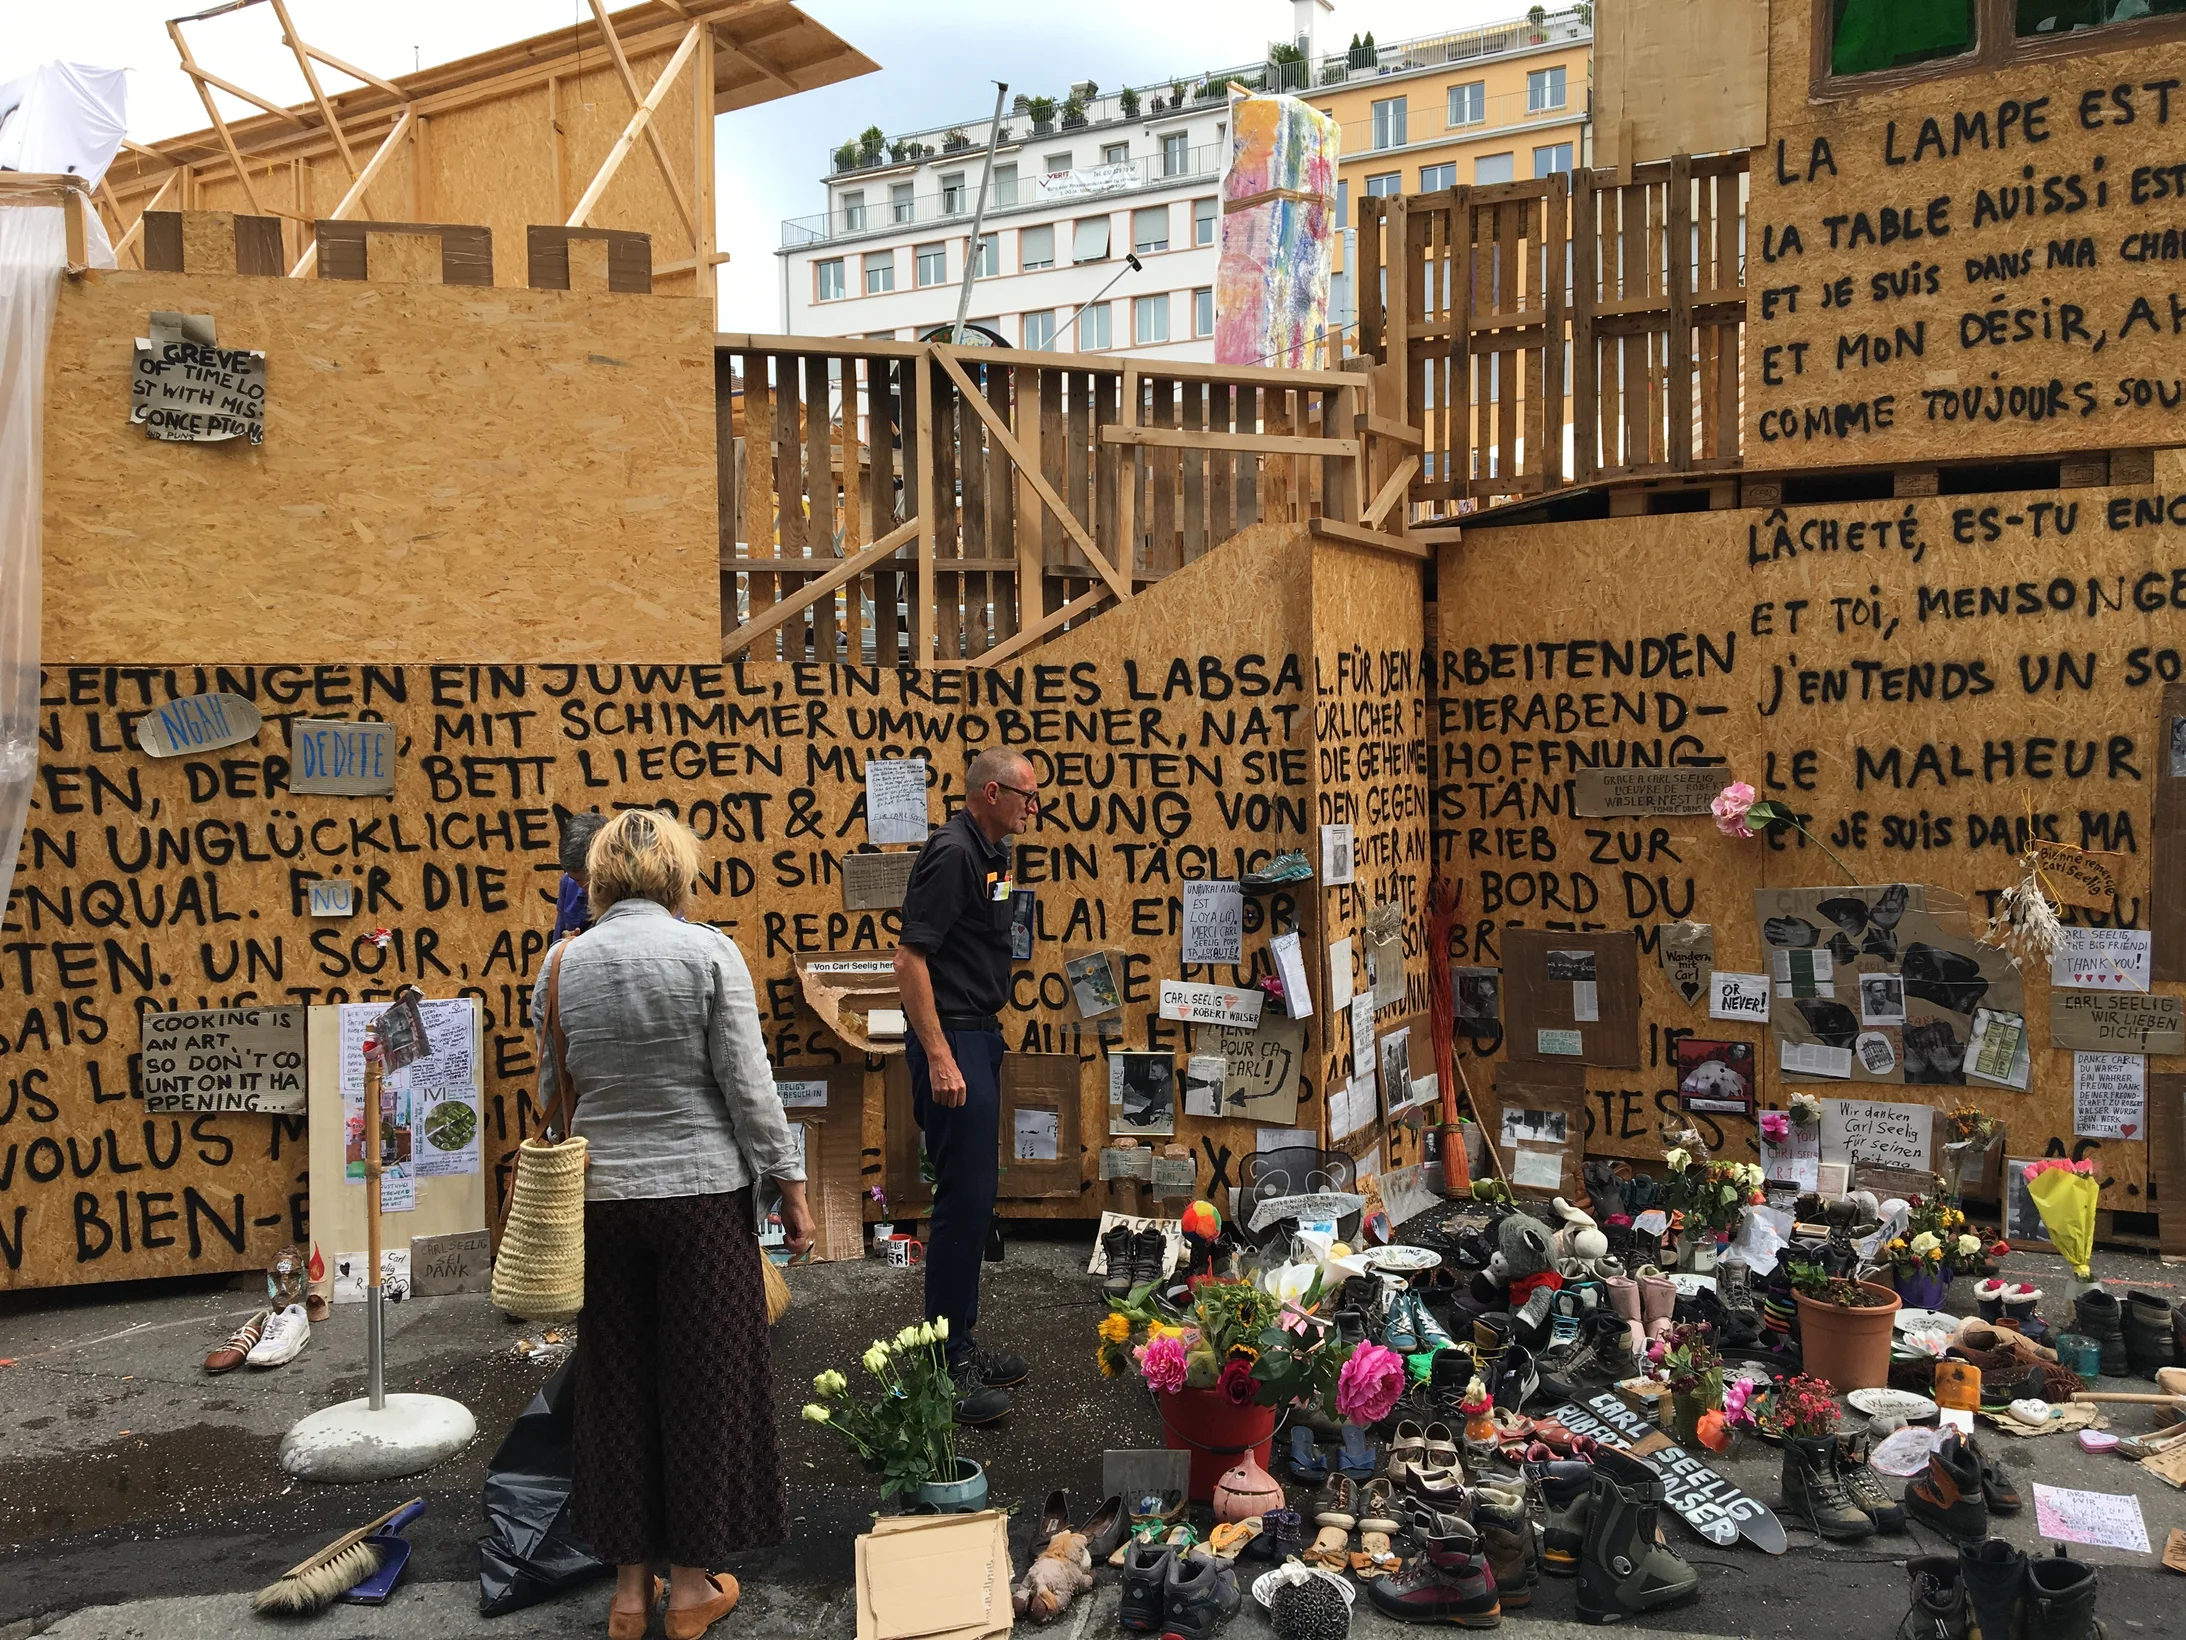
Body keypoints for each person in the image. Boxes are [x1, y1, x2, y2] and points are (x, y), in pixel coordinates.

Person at [536, 808, 812, 1640]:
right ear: (678, 873)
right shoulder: (709, 953)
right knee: (703, 1387)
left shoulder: (560, 964)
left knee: (616, 1389)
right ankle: (690, 1591)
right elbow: (749, 1087)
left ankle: (629, 1596)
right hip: (700, 1201)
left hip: (605, 1202)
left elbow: (555, 1094)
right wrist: (791, 1185)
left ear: (597, 875)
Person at [893, 748, 1040, 1424]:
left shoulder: (991, 856)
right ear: (991, 791)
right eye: (1025, 797)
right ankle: (942, 1368)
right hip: (952, 1038)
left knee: (978, 1199)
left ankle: (961, 1342)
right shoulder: (952, 853)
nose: (1032, 809)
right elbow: (910, 956)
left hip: (979, 1034)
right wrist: (940, 1055)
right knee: (962, 1203)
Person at [552, 811, 607, 941]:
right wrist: (565, 946)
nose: (586, 887)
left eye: (593, 878)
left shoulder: (631, 889)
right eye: (577, 880)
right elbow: (557, 942)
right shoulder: (568, 883)